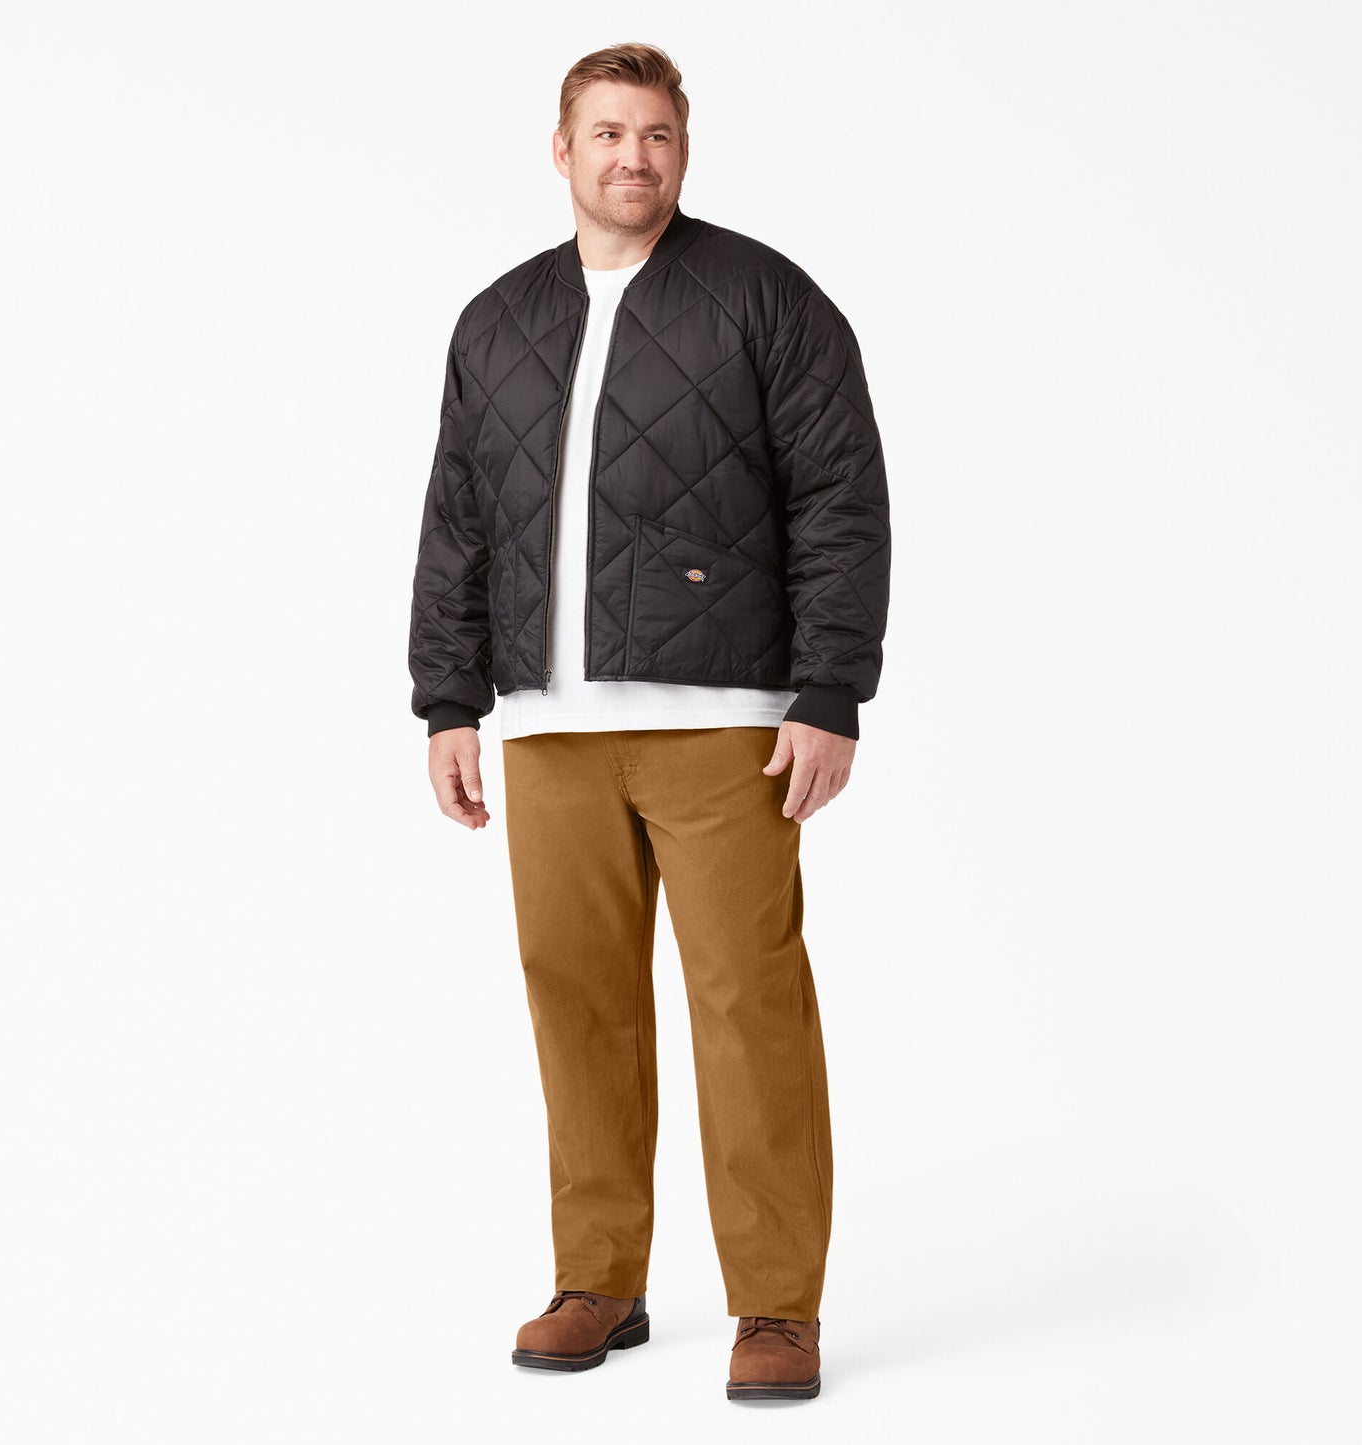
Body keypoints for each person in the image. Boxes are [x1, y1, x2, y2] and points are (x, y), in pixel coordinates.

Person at [408, 42, 890, 1402]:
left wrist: (830, 692)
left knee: (747, 1004)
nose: (636, 156)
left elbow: (840, 497)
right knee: (577, 1003)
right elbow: (457, 520)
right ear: (561, 149)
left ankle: (777, 1304)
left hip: (724, 719)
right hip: (546, 724)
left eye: (658, 135)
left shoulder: (763, 298)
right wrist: (449, 700)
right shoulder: (496, 322)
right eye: (610, 133)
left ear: (683, 149)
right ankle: (597, 1278)